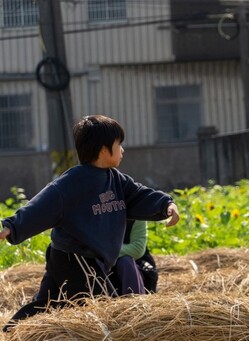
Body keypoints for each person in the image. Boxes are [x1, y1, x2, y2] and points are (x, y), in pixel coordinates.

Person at [0, 115, 179, 332]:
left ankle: (12, 332)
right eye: (118, 144)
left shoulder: (116, 179)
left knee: (48, 304)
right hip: (76, 257)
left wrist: (166, 205)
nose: (122, 150)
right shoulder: (70, 183)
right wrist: (11, 226)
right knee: (107, 310)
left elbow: (141, 195)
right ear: (104, 150)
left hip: (80, 257)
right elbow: (40, 207)